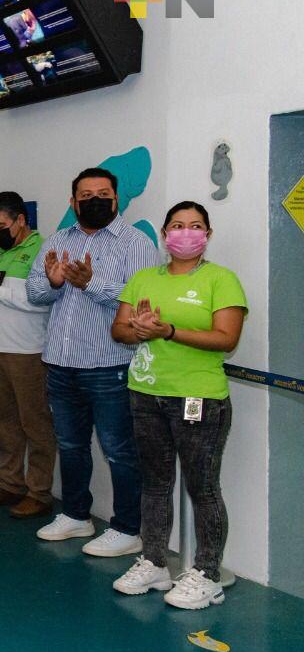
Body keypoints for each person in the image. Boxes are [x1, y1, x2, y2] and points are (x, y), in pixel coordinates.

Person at [110, 201, 246, 609]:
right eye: (177, 225)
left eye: (196, 225)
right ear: (166, 234)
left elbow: (226, 338)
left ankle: (206, 573)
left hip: (198, 398)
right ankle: (154, 561)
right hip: (146, 394)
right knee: (154, 483)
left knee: (202, 487)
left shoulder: (221, 280)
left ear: (207, 234)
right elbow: (118, 329)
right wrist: (138, 330)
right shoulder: (143, 278)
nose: (186, 233)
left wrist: (168, 330)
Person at [26, 167, 158, 556]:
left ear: (116, 199)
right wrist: (52, 282)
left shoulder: (135, 243)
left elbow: (139, 301)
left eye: (103, 194)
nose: (94, 200)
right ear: (73, 202)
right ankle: (76, 515)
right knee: (70, 444)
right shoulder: (58, 240)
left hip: (109, 364)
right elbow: (35, 293)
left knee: (119, 449)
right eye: (85, 195)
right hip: (61, 363)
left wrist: (89, 283)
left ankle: (127, 528)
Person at [0, 192, 57, 519]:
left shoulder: (42, 249)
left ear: (21, 220)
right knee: (3, 420)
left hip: (27, 349)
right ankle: (11, 483)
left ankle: (39, 492)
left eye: (1, 225)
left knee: (35, 423)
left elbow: (42, 298)